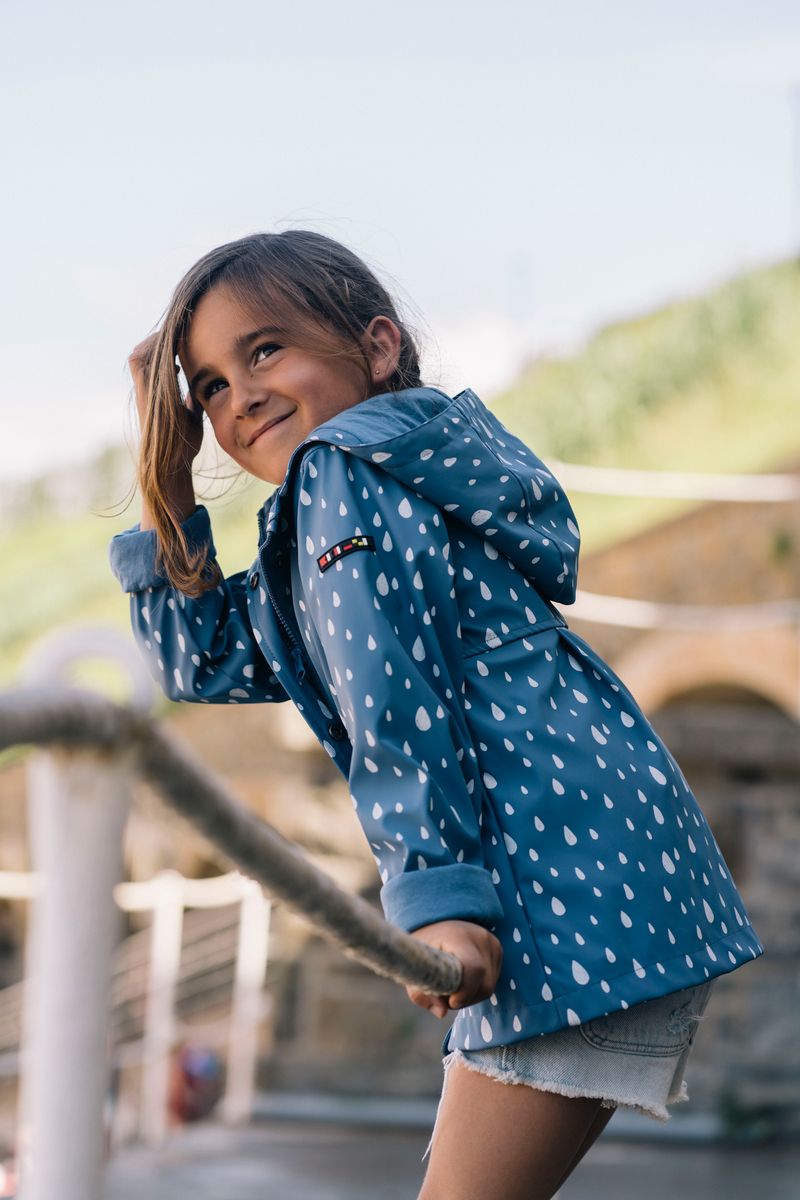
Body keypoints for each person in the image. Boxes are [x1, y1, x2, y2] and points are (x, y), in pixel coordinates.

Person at [109, 230, 764, 1200]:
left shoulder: (344, 477)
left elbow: (394, 707)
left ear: (375, 348)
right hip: (599, 857)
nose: (236, 396)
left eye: (264, 350)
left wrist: (439, 904)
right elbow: (208, 660)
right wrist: (164, 484)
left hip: (558, 877)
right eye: (205, 386)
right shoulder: (366, 492)